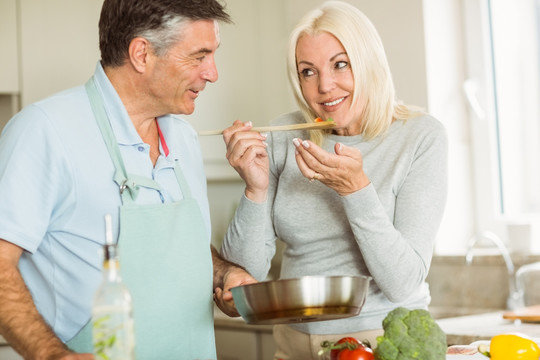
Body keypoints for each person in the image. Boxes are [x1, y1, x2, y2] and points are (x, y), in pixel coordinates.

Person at [0, 0, 256, 359]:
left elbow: (176, 251)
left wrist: (223, 274)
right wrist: (51, 355)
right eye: (198, 56)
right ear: (141, 54)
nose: (212, 73)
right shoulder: (44, 131)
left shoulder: (182, 137)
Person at [220, 1, 448, 359]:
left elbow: (402, 283)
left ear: (368, 61)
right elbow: (243, 276)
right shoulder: (282, 135)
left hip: (382, 345)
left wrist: (356, 191)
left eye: (340, 64)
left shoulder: (420, 137)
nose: (325, 86)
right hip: (293, 346)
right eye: (308, 71)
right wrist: (255, 188)